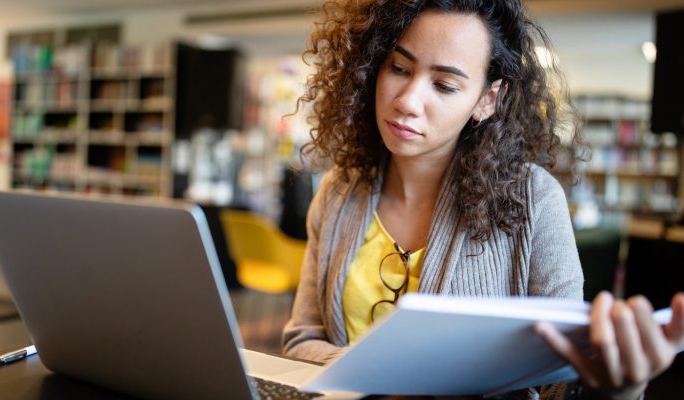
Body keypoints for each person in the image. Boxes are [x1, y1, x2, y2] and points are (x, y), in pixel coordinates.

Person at [281, 0, 684, 399]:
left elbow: (562, 380)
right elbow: (302, 338)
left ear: (487, 100)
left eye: (444, 85)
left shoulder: (534, 200)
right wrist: (376, 377)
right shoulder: (339, 192)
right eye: (399, 68)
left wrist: (621, 389)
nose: (406, 100)